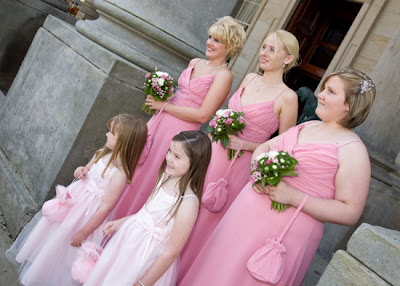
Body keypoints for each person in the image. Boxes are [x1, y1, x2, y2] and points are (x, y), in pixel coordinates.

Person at [179, 67, 376, 286]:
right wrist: (258, 170)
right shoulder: (308, 126)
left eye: (330, 91)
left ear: (349, 105)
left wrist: (293, 196)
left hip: (282, 234)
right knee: (215, 271)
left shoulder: (353, 150)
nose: (320, 94)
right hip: (245, 214)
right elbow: (264, 147)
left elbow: (350, 211)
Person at [178, 29, 299, 281]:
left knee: (206, 223)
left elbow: (285, 147)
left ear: (288, 59)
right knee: (185, 204)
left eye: (272, 49)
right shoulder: (250, 79)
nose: (264, 53)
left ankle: (187, 275)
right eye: (264, 47)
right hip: (212, 152)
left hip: (238, 169)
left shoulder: (288, 98)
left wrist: (248, 145)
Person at [112, 16, 247, 219]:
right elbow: (180, 95)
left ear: (230, 46)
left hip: (179, 131)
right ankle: (110, 212)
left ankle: (127, 222)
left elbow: (203, 114)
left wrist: (163, 106)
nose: (209, 42)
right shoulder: (195, 62)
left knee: (153, 176)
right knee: (136, 165)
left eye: (217, 40)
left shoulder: (224, 76)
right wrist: (161, 93)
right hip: (159, 121)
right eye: (210, 37)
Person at [6, 114, 148, 286]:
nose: (106, 135)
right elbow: (86, 169)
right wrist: (81, 170)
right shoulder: (103, 153)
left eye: (111, 133)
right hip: (71, 206)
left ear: (124, 143)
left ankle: (53, 279)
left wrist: (84, 232)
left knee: (67, 249)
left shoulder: (120, 173)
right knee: (54, 238)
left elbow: (105, 208)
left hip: (86, 217)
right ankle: (38, 273)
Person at [84, 131, 212, 286]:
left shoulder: (188, 202)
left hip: (145, 258)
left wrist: (143, 283)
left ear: (195, 163)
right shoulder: (166, 177)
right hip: (129, 242)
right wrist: (122, 222)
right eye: (170, 151)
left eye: (177, 157)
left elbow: (171, 252)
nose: (169, 158)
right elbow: (147, 213)